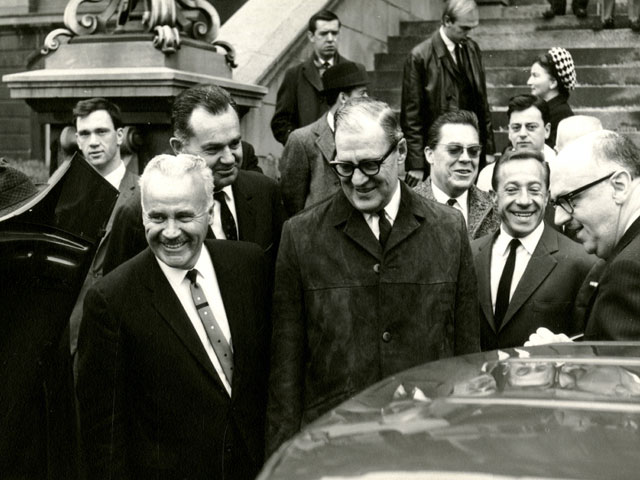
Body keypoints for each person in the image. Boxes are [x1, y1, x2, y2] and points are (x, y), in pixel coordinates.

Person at [266, 97, 479, 453]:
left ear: (400, 152)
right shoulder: (301, 236)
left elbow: (467, 351)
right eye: (344, 167)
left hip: (427, 440)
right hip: (334, 446)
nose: (357, 180)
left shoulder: (447, 228)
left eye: (369, 164)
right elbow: (285, 372)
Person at [77, 153, 270, 479]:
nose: (170, 232)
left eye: (184, 216)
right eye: (157, 217)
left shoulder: (249, 265)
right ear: (142, 216)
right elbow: (104, 437)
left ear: (209, 214)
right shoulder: (111, 300)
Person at [103, 84, 286, 275]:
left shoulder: (265, 191)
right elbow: (117, 292)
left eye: (234, 143)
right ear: (178, 148)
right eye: (213, 149)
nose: (229, 159)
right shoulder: (139, 212)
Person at [471, 149, 595, 350]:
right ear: (493, 197)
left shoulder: (580, 262)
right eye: (511, 190)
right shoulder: (470, 254)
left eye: (534, 190)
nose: (524, 200)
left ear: (546, 197)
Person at [533, 130, 640, 342]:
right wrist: (576, 354)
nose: (559, 219)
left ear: (619, 186)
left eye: (569, 199)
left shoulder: (628, 271)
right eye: (556, 204)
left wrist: (564, 365)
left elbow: (621, 372)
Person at [68, 98, 139, 374]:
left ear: (120, 135)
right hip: (72, 336)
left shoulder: (143, 191)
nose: (93, 141)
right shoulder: (64, 196)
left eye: (102, 132)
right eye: (85, 134)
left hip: (122, 332)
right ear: (77, 139)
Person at [400, 0, 494, 186]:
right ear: (447, 21)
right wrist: (417, 163)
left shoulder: (472, 49)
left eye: (471, 28)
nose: (468, 34)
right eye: (463, 28)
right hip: (439, 149)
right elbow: (412, 116)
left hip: (469, 145)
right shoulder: (420, 56)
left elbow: (482, 101)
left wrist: (488, 147)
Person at [279, 61, 368, 216]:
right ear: (343, 98)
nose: (367, 98)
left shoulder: (369, 134)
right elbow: (292, 203)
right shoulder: (302, 140)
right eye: (362, 93)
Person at [413, 110, 499, 239]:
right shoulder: (406, 207)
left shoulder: (495, 209)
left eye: (473, 151)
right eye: (454, 150)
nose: (465, 158)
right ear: (430, 155)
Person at [270, 10, 349, 145]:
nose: (330, 39)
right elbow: (280, 123)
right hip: (306, 159)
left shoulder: (350, 71)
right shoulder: (294, 75)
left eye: (334, 33)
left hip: (342, 156)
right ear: (311, 36)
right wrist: (300, 145)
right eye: (324, 34)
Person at [477, 94, 555, 191]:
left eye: (531, 127)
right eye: (516, 127)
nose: (522, 134)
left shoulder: (560, 170)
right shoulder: (488, 175)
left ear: (547, 130)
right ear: (509, 132)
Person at [527, 47, 576, 148]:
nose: (529, 82)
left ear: (553, 83)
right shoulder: (544, 109)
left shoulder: (562, 115)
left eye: (535, 76)